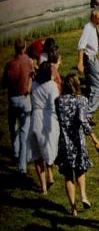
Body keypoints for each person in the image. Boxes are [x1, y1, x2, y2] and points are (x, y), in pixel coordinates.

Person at [54, 72, 99, 215]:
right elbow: (83, 121)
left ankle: (73, 207)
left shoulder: (58, 101)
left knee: (68, 175)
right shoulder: (82, 100)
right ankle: (84, 196)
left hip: (64, 141)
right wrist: (93, 138)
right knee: (80, 170)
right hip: (78, 140)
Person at [27, 56, 61, 193]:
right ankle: (50, 174)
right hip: (48, 118)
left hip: (36, 118)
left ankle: (43, 187)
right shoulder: (52, 86)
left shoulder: (35, 85)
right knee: (48, 148)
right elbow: (54, 104)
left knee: (37, 154)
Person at [5, 38, 35, 175]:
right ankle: (22, 166)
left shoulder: (10, 64)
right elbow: (32, 75)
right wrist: (28, 85)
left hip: (13, 98)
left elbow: (4, 82)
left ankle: (16, 152)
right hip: (25, 99)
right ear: (24, 47)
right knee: (24, 132)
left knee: (13, 127)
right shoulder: (28, 61)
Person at [76, 9, 99, 118]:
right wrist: (80, 63)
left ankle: (84, 113)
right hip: (90, 59)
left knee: (92, 88)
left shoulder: (95, 27)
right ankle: (87, 114)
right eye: (97, 19)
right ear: (92, 17)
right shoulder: (88, 28)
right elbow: (81, 46)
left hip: (93, 58)